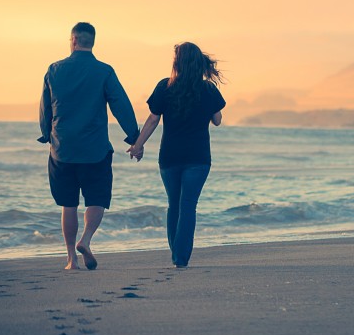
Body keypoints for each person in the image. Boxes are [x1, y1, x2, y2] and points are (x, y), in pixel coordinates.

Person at [38, 22, 141, 270]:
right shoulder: (104, 71)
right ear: (91, 42)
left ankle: (71, 260)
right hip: (95, 150)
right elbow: (121, 105)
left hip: (62, 151)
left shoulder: (54, 69)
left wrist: (46, 134)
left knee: (68, 204)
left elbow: (45, 109)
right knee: (96, 199)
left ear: (73, 40)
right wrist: (134, 137)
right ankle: (85, 240)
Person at [127, 42, 225, 268]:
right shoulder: (208, 89)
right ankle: (181, 258)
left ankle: (176, 254)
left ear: (177, 62)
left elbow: (153, 120)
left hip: (169, 157)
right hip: (198, 158)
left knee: (174, 204)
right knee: (188, 206)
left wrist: (138, 145)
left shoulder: (165, 86)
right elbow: (218, 120)